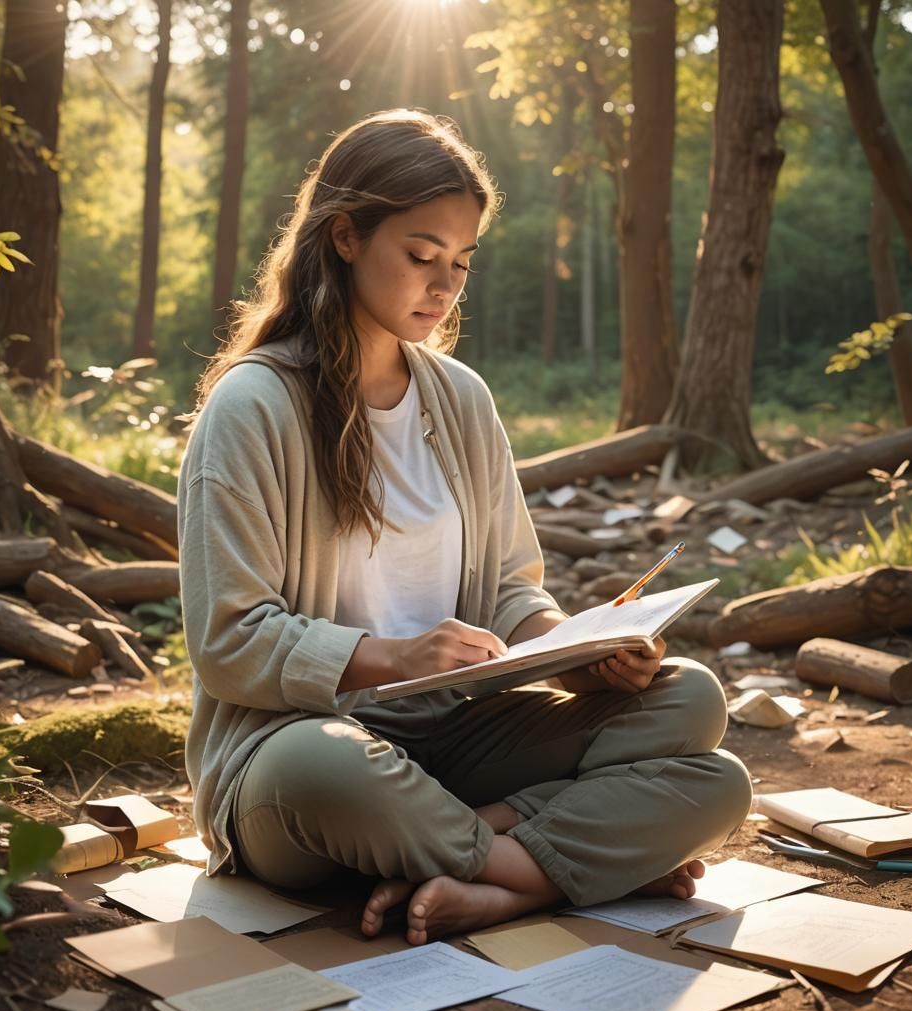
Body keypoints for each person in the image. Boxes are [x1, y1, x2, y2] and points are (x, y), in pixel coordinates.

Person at [178, 109, 752, 946]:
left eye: (460, 262)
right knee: (325, 768)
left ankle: (479, 864)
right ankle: (533, 872)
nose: (443, 285)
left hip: (457, 736)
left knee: (696, 714)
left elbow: (513, 594)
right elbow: (229, 641)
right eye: (420, 256)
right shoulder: (253, 407)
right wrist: (393, 657)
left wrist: (583, 653)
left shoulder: (462, 400)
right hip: (302, 751)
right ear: (344, 236)